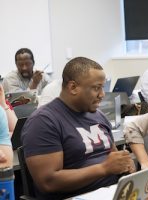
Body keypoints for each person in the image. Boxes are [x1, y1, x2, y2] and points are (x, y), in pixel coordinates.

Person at [21, 57, 135, 200]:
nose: (102, 94)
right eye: (96, 88)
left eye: (102, 87)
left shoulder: (98, 116)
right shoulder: (43, 121)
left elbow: (113, 157)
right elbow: (48, 182)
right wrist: (103, 169)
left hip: (112, 193)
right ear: (73, 87)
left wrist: (125, 165)